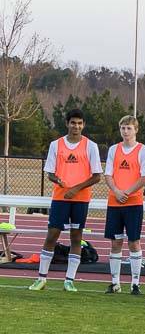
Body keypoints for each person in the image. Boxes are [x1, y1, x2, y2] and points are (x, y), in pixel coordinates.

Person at [28, 109, 103, 292]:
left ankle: (69, 280)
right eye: (73, 123)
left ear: (83, 125)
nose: (76, 126)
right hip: (60, 198)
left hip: (81, 199)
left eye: (79, 123)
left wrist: (76, 188)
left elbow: (97, 176)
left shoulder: (90, 146)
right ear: (67, 124)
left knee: (76, 237)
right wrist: (59, 181)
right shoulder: (56, 144)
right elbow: (50, 173)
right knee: (52, 235)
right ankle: (41, 278)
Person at [102, 114, 145, 295]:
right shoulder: (114, 149)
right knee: (115, 242)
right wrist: (116, 191)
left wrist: (128, 192)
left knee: (134, 242)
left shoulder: (143, 150)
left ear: (136, 130)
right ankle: (115, 283)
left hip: (133, 203)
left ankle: (135, 284)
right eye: (123, 128)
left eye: (129, 128)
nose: (125, 131)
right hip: (115, 202)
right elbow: (108, 174)